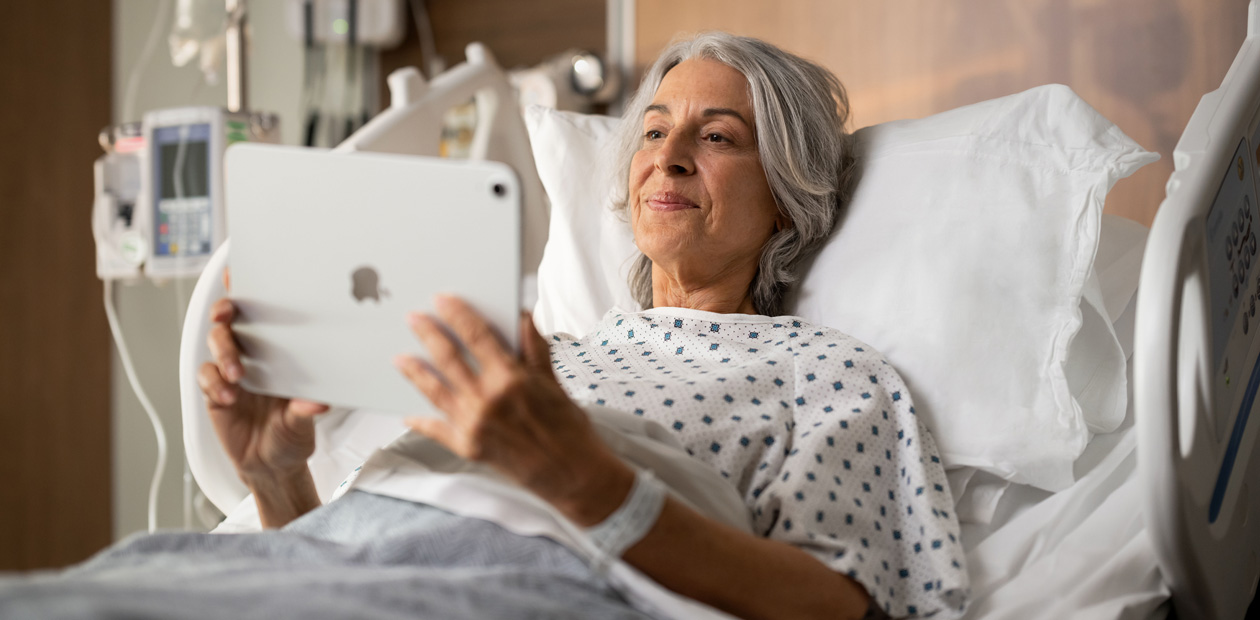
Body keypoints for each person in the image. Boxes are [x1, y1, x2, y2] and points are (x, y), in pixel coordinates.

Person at [1, 32, 965, 620]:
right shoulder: (552, 351)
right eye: (654, 129)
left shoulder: (833, 375)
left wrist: (580, 480)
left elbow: (838, 607)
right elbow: (353, 552)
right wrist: (276, 476)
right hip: (317, 558)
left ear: (792, 201)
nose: (664, 155)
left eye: (716, 137)